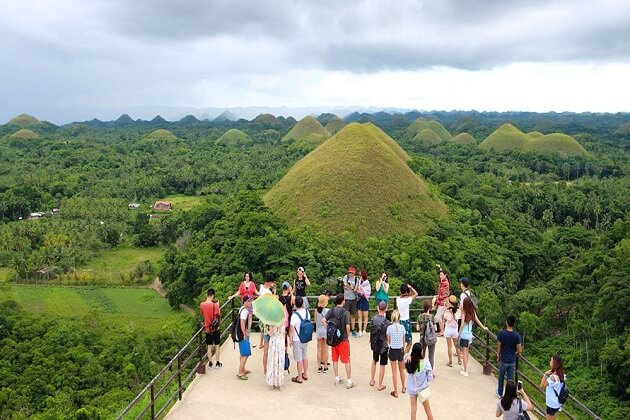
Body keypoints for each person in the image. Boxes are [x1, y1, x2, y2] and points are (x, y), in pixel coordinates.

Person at [323, 293, 355, 389]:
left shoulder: (331, 310)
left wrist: (329, 330)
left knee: (335, 359)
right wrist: (347, 336)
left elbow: (323, 321)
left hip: (333, 340)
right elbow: (348, 327)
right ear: (343, 301)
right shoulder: (345, 312)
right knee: (346, 360)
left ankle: (337, 379)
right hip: (343, 339)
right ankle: (349, 381)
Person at [458, 297, 488, 377]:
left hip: (464, 334)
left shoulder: (464, 312)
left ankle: (465, 370)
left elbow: (462, 325)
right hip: (470, 335)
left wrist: (458, 334)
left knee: (464, 353)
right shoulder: (473, 312)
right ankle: (465, 367)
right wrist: (484, 327)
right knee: (466, 352)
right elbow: (478, 321)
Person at [405, 342, 434, 420]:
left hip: (411, 389)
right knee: (428, 410)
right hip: (422, 389)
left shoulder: (408, 361)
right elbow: (430, 378)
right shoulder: (426, 363)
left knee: (413, 410)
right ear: (421, 352)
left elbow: (404, 356)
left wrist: (408, 356)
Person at [496, 315, 523, 398]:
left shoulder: (502, 333)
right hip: (512, 361)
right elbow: (520, 350)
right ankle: (508, 396)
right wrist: (515, 352)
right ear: (514, 324)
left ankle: (500, 393)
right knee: (510, 380)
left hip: (503, 359)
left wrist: (498, 355)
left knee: (501, 377)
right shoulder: (516, 335)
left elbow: (499, 346)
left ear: (506, 322)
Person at [200, 288, 222, 369]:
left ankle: (210, 363)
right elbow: (218, 314)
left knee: (209, 346)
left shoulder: (202, 305)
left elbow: (202, 314)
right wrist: (218, 306)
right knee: (217, 346)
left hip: (207, 329)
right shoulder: (215, 305)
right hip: (215, 328)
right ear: (213, 295)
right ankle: (217, 363)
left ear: (206, 295)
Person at [289, 296, 309, 383]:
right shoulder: (307, 312)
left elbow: (291, 329)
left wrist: (290, 339)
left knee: (299, 358)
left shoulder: (294, 316)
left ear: (295, 304)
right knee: (305, 356)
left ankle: (299, 377)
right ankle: (305, 374)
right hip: (305, 337)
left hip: (297, 338)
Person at [370, 300, 389, 391]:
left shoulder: (373, 319)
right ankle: (380, 384)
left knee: (374, 361)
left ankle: (372, 379)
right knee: (382, 364)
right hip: (383, 345)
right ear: (386, 309)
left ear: (378, 308)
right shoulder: (387, 322)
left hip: (375, 343)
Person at [387, 310, 406, 398]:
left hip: (393, 350)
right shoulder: (402, 327)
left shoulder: (389, 328)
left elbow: (389, 341)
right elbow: (404, 340)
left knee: (394, 372)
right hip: (400, 350)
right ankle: (403, 388)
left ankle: (395, 392)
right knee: (402, 370)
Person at [259, 274, 276, 372]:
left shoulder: (261, 288)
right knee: (270, 349)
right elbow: (273, 303)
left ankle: (265, 369)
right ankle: (269, 368)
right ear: (269, 282)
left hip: (263, 319)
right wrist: (274, 292)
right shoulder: (268, 292)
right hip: (269, 320)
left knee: (265, 349)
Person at [540, 355, 566, 419]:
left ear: (555, 363)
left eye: (551, 360)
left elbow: (542, 385)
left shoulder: (553, 377)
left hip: (552, 404)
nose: (550, 361)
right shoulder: (561, 374)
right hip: (556, 402)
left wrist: (545, 374)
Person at [396, 283, 418, 353]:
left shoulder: (398, 299)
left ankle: (400, 356)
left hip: (399, 322)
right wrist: (411, 288)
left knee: (401, 342)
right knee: (409, 342)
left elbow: (402, 296)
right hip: (406, 322)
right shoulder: (407, 300)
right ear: (406, 292)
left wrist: (406, 292)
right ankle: (403, 356)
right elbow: (416, 294)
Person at [417, 300, 436, 378]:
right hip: (431, 338)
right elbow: (435, 328)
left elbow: (418, 328)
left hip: (422, 338)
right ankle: (430, 373)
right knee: (431, 356)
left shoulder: (419, 316)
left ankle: (420, 371)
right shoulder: (432, 317)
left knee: (421, 355)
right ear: (430, 308)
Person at [266, 321, 286, 389]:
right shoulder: (283, 320)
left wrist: (267, 330)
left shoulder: (271, 322)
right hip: (280, 342)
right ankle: (279, 382)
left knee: (273, 362)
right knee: (279, 362)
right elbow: (282, 332)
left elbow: (271, 334)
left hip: (273, 342)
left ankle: (273, 382)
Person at [237, 296, 253, 380]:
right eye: (249, 301)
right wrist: (244, 334)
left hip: (243, 334)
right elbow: (242, 323)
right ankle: (240, 372)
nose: (250, 302)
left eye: (251, 300)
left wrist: (250, 315)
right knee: (246, 354)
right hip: (243, 334)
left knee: (243, 353)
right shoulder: (244, 312)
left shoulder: (243, 309)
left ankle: (243, 369)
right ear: (245, 302)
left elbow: (248, 322)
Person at [342, 266, 361, 338]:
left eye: (352, 273)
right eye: (349, 272)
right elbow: (344, 286)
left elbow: (356, 289)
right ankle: (345, 330)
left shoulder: (357, 279)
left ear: (354, 273)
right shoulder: (345, 277)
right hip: (346, 298)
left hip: (353, 299)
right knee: (345, 314)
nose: (350, 274)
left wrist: (352, 287)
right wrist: (347, 286)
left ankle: (353, 330)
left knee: (353, 315)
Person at [443, 295, 461, 367]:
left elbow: (445, 317)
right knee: (456, 345)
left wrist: (446, 308)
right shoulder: (458, 311)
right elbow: (458, 318)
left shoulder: (447, 311)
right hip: (455, 329)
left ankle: (450, 362)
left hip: (448, 328)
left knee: (449, 347)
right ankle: (459, 360)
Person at [315, 294, 330, 373]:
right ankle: (325, 366)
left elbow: (316, 321)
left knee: (319, 349)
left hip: (319, 331)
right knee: (326, 349)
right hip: (326, 330)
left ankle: (319, 367)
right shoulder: (328, 311)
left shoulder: (316, 311)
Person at [434, 266, 450, 336]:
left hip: (442, 302)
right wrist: (440, 268)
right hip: (443, 302)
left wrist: (438, 297)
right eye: (439, 275)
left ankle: (442, 331)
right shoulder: (443, 281)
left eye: (441, 275)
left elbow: (446, 294)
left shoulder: (445, 283)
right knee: (442, 317)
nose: (440, 276)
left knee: (437, 317)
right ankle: (442, 331)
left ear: (445, 275)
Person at [357, 268, 371, 336]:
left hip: (365, 299)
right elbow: (358, 289)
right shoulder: (359, 281)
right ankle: (360, 330)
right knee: (359, 316)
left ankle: (364, 330)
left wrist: (362, 291)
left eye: (360, 275)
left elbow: (368, 291)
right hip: (359, 299)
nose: (359, 276)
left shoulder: (367, 282)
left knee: (365, 316)